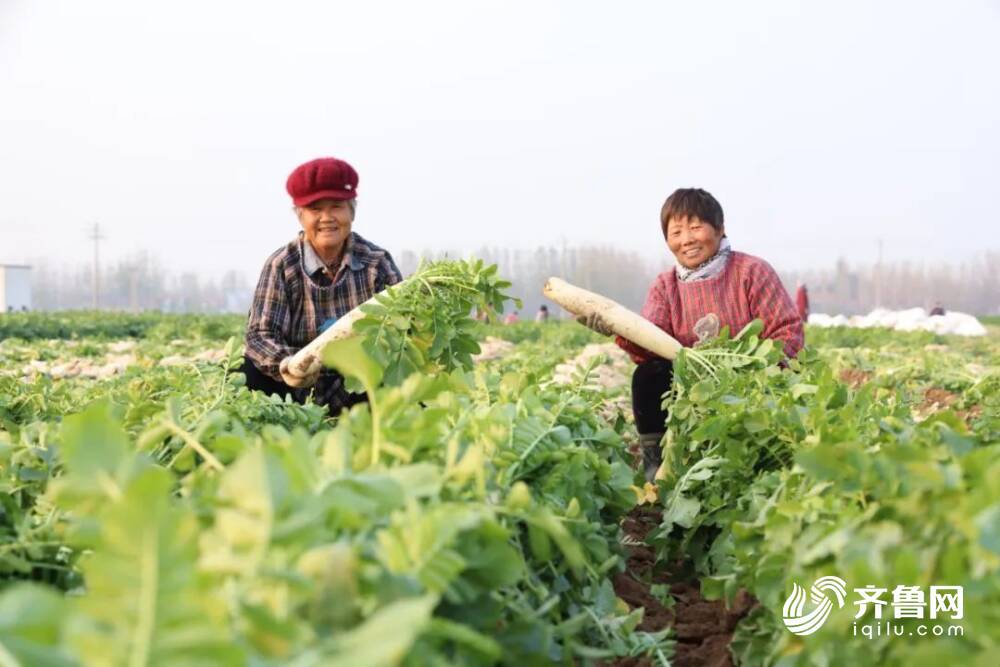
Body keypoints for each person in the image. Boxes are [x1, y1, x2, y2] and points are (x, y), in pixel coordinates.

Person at [578, 188, 803, 481]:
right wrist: (615, 329)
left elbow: (787, 331)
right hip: (689, 389)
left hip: (749, 385)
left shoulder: (751, 271)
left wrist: (754, 370)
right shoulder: (665, 285)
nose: (686, 240)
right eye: (676, 232)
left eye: (695, 228)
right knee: (648, 375)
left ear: (720, 229)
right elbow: (651, 342)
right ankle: (655, 463)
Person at [242, 157, 402, 414]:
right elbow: (260, 335)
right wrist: (288, 364)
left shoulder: (376, 263)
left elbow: (402, 328)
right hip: (295, 392)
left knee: (403, 380)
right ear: (300, 216)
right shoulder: (282, 266)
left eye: (336, 207)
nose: (327, 218)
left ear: (352, 211)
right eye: (315, 209)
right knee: (249, 370)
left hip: (360, 386)